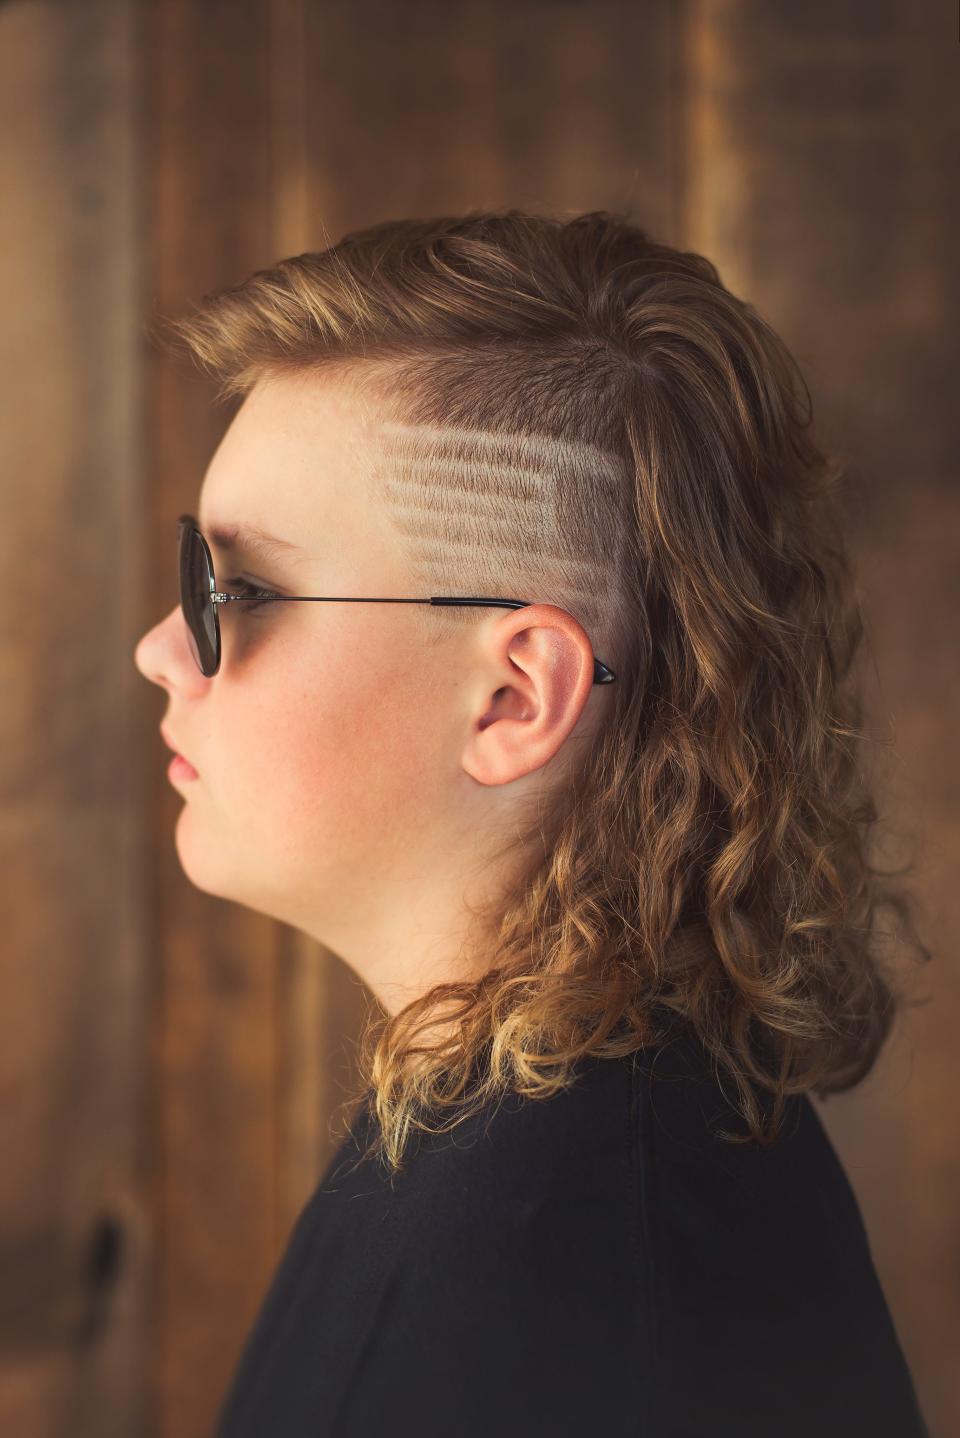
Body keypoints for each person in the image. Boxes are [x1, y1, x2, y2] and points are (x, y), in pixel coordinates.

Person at [134, 209, 932, 1436]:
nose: (159, 649)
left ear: (514, 696)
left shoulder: (563, 1277)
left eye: (234, 590)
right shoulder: (505, 1117)